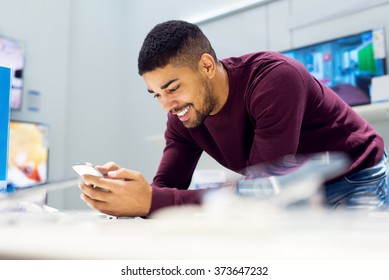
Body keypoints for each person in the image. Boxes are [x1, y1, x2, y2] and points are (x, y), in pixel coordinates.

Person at [79, 20, 388, 217]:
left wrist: (149, 201)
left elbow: (263, 190)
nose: (165, 104)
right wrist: (126, 194)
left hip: (356, 174)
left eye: (172, 88)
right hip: (294, 188)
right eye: (155, 93)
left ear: (207, 66)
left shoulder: (275, 79)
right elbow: (166, 188)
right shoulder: (183, 115)